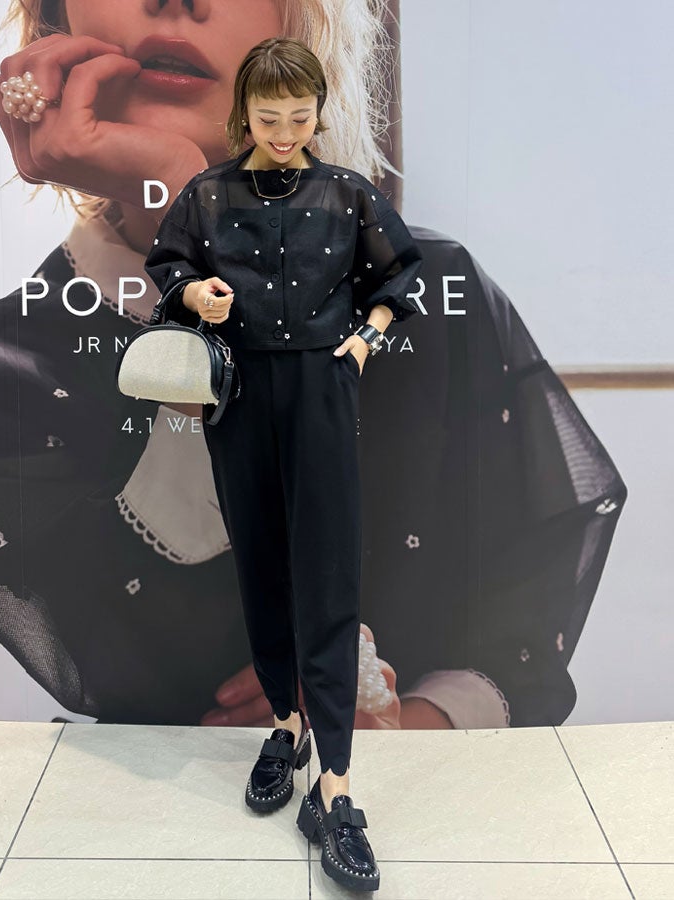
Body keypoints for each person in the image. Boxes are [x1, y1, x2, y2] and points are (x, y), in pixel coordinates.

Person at [0, 0, 626, 756]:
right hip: (156, 824)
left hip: (420, 808)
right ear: (54, 22)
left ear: (305, 30)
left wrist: (404, 724)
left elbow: (520, 641)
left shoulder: (426, 291)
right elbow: (160, 656)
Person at [144, 36, 426, 891]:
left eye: (299, 117)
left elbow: (398, 278)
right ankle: (285, 724)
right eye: (269, 118)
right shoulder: (208, 194)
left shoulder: (347, 193)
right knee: (262, 567)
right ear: (245, 114)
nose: (284, 132)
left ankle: (335, 786)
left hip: (321, 390)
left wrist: (366, 339)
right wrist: (197, 294)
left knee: (328, 575)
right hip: (238, 394)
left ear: (317, 113)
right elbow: (168, 266)